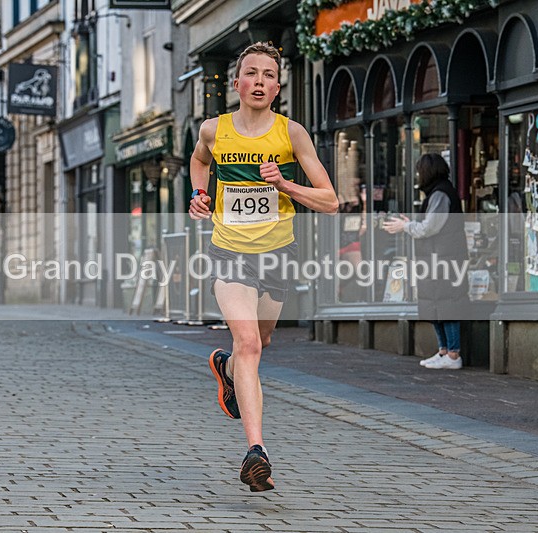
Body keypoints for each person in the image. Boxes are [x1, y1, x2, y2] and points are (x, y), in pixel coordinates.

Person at [189, 42, 338, 492]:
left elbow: (330, 202)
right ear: (236, 83)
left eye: (267, 74)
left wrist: (285, 183)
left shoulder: (292, 134)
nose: (258, 81)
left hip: (277, 254)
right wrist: (200, 195)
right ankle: (257, 451)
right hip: (229, 252)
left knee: (263, 339)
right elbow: (198, 161)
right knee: (249, 341)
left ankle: (228, 370)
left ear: (277, 87)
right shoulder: (214, 130)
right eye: (250, 73)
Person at [382, 153, 469, 370]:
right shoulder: (437, 192)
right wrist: (410, 224)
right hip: (436, 258)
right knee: (434, 304)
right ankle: (443, 351)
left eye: (420, 170)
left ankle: (453, 354)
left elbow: (430, 227)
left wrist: (406, 227)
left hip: (444, 259)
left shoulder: (440, 194)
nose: (418, 175)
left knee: (447, 304)